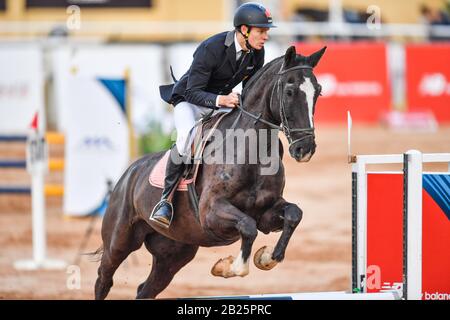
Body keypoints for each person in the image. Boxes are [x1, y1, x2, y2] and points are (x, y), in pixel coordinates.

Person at [150, 2, 276, 228]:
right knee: (186, 137)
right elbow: (192, 91)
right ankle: (165, 201)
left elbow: (251, 88)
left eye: (266, 31)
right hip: (190, 101)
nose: (265, 36)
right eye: (261, 31)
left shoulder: (256, 52)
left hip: (221, 101)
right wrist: (222, 100)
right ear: (244, 30)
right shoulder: (212, 48)